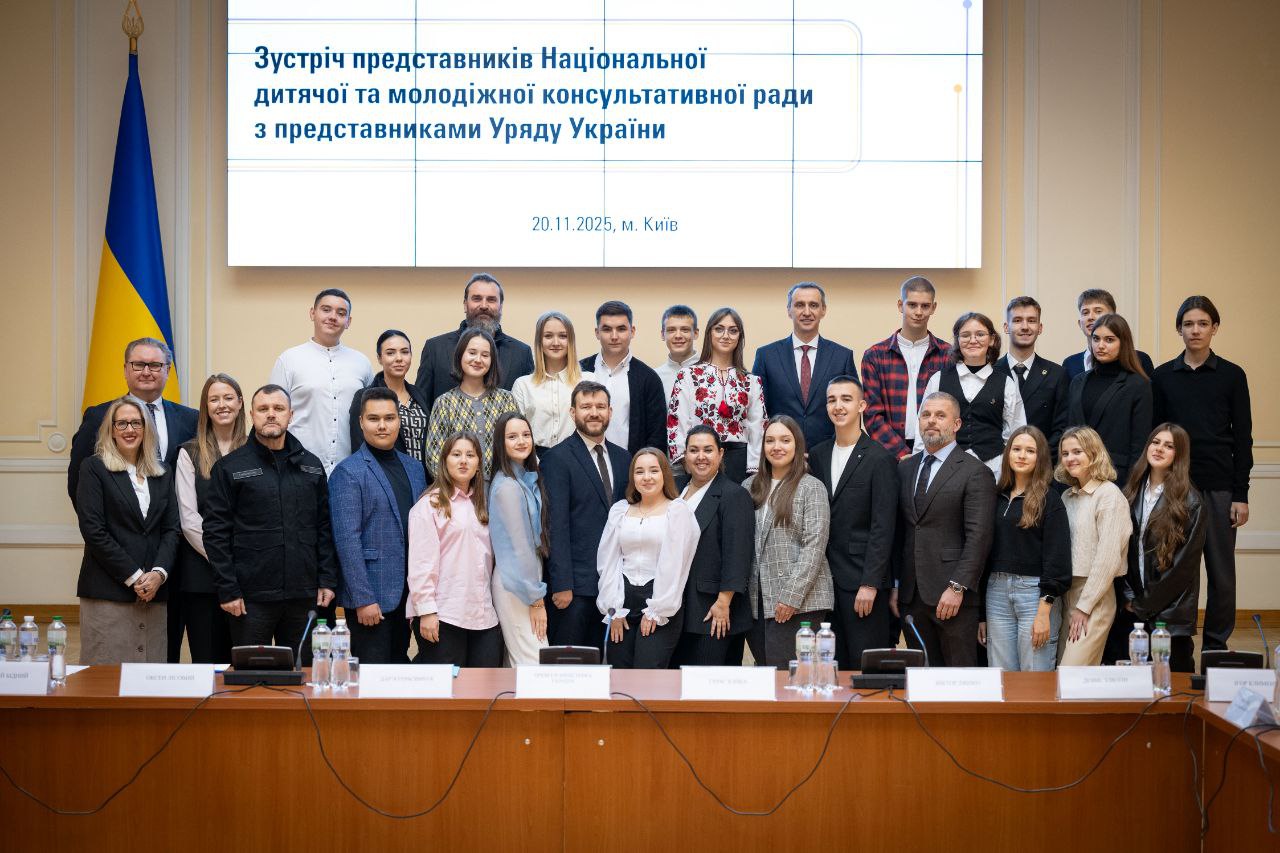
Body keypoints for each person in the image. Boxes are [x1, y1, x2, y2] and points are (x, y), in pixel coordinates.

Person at [67, 336, 197, 663]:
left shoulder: (191, 419)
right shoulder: (98, 416)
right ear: (125, 369)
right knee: (108, 670)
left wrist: (159, 568)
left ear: (168, 371)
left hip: (170, 567)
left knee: (160, 661)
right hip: (113, 571)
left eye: (155, 365)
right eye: (138, 364)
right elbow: (80, 492)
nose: (146, 371)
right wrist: (126, 561)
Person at [204, 385, 338, 656]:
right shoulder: (230, 468)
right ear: (252, 415)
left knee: (306, 673)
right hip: (251, 600)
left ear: (291, 414)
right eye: (263, 409)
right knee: (252, 674)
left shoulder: (311, 466)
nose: (271, 414)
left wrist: (327, 579)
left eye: (278, 408)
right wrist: (228, 590)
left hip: (304, 596)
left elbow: (324, 527)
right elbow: (216, 534)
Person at [1152, 295, 1252, 651]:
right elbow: (1156, 435)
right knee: (1178, 570)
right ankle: (1180, 646)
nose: (1195, 330)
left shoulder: (1232, 375)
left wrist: (1240, 494)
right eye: (1188, 324)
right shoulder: (1162, 376)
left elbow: (1243, 438)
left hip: (1221, 488)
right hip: (1176, 489)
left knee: (1222, 575)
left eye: (1203, 324)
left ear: (1214, 328)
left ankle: (1215, 646)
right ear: (1179, 329)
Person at [74, 397, 180, 664]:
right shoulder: (94, 468)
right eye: (121, 423)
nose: (129, 429)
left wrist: (158, 574)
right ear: (111, 430)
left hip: (154, 595)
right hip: (108, 594)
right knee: (105, 680)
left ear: (146, 429)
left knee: (150, 679)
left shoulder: (162, 472)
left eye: (136, 423)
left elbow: (172, 529)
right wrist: (135, 577)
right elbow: (94, 530)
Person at [895, 392, 996, 667]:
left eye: (941, 416)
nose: (931, 421)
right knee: (921, 679)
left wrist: (957, 587)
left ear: (957, 424)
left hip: (954, 597)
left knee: (958, 681)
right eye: (926, 415)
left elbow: (979, 538)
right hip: (912, 596)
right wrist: (896, 585)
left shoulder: (975, 472)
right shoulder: (905, 468)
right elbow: (902, 532)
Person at [330, 388, 429, 664]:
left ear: (399, 420)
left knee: (400, 672)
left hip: (408, 596)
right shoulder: (348, 472)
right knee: (371, 678)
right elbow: (347, 541)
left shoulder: (415, 468)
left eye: (389, 418)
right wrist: (363, 599)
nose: (382, 425)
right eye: (374, 419)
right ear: (361, 422)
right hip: (371, 597)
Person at [807, 376, 898, 667]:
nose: (838, 406)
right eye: (832, 400)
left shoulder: (880, 458)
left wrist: (870, 584)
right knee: (829, 667)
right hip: (823, 584)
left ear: (862, 406)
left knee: (864, 666)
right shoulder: (818, 455)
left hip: (862, 583)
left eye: (846, 399)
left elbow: (884, 527)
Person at [541, 381, 631, 649]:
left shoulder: (624, 458)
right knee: (569, 665)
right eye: (586, 406)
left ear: (610, 412)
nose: (594, 413)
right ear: (573, 412)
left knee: (607, 665)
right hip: (574, 589)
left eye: (600, 406)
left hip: (614, 587)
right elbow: (555, 525)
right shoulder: (556, 459)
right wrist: (562, 584)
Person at [978, 426, 1071, 672]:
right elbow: (984, 554)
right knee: (1001, 674)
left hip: (1034, 594)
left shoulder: (1050, 499)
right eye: (1016, 449)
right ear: (1007, 453)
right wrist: (981, 615)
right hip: (996, 592)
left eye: (1030, 451)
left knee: (1035, 674)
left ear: (1040, 457)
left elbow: (1058, 558)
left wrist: (1044, 611)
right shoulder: (995, 496)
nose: (1021, 455)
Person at [406, 432, 502, 667]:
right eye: (456, 454)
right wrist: (426, 611)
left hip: (483, 614)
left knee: (485, 686)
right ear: (444, 461)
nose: (463, 461)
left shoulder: (482, 505)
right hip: (444, 614)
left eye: (470, 455)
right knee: (447, 688)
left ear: (479, 463)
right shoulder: (429, 505)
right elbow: (421, 564)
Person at [744, 416, 834, 669]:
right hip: (758, 601)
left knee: (791, 679)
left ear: (798, 446)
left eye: (785, 440)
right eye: (770, 441)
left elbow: (814, 546)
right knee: (766, 676)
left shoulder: (811, 487)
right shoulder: (749, 486)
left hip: (801, 603)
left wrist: (791, 597)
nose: (777, 447)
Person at [597, 449, 700, 669]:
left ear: (664, 474)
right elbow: (608, 561)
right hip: (622, 600)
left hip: (660, 600)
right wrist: (613, 609)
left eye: (654, 470)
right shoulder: (620, 510)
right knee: (619, 674)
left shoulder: (678, 511)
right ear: (632, 477)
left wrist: (656, 610)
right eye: (639, 471)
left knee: (648, 671)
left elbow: (676, 565)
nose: (647, 477)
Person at [1122, 424, 1207, 672]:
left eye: (1169, 446)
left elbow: (1182, 568)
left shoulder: (1192, 502)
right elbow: (1122, 550)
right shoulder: (1131, 491)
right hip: (1133, 608)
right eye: (1156, 442)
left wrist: (1143, 605)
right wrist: (1129, 597)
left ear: (1179, 455)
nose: (1159, 449)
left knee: (1172, 684)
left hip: (1170, 614)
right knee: (1134, 684)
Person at [175, 374, 246, 664]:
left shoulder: (257, 450)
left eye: (228, 397)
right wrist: (222, 556)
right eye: (214, 399)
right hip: (201, 576)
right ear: (205, 406)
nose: (222, 405)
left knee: (243, 660)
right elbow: (188, 518)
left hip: (247, 573)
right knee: (207, 661)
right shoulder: (189, 452)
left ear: (240, 403)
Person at [671, 426, 756, 667]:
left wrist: (723, 601)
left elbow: (738, 554)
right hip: (675, 608)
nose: (701, 456)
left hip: (713, 610)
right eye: (694, 450)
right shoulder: (673, 489)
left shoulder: (734, 495)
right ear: (685, 455)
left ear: (720, 454)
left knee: (705, 683)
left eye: (708, 450)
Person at [268, 288, 373, 476]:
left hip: (350, 470)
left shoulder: (362, 363)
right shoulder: (289, 360)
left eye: (341, 313)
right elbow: (274, 413)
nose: (333, 317)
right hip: (297, 467)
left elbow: (371, 413)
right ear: (312, 313)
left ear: (348, 321)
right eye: (326, 310)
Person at [1055, 426, 1133, 666]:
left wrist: (1085, 607)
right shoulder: (1067, 496)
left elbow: (1108, 559)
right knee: (1062, 673)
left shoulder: (1109, 495)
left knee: (1070, 672)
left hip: (1094, 596)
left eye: (1077, 451)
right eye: (1065, 453)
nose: (1070, 458)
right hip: (1067, 593)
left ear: (1094, 453)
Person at [666, 307, 767, 483]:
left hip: (739, 463)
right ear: (709, 333)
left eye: (733, 330)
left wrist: (753, 474)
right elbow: (677, 422)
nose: (726, 336)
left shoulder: (751, 381)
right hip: (699, 460)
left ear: (740, 337)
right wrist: (688, 465)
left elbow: (758, 428)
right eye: (719, 329)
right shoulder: (688, 375)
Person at [752, 282, 858, 450]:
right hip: (780, 452)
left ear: (823, 310)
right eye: (800, 305)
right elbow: (757, 413)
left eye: (813, 305)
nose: (807, 312)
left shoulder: (842, 357)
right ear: (789, 310)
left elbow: (852, 410)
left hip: (829, 452)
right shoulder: (766, 356)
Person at [923, 312, 1026, 478]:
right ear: (957, 340)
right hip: (944, 467)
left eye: (980, 334)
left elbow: (1016, 431)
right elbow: (924, 425)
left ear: (992, 339)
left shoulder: (1006, 383)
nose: (973, 340)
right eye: (965, 335)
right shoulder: (938, 379)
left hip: (993, 468)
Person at [862, 276, 952, 460]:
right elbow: (872, 415)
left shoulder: (948, 355)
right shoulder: (875, 356)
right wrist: (902, 454)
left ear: (933, 308)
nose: (918, 312)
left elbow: (952, 409)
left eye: (925, 306)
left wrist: (930, 451)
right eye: (912, 305)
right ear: (900, 305)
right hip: (888, 453)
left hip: (937, 450)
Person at [415, 272, 535, 407]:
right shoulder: (435, 348)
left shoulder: (521, 353)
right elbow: (421, 406)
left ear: (501, 306)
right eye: (477, 299)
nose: (484, 306)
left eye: (491, 300)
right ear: (465, 304)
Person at [488, 413, 551, 665]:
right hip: (515, 583)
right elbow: (521, 547)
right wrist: (536, 601)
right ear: (500, 443)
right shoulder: (507, 487)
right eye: (512, 436)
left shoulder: (523, 479)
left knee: (519, 663)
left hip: (527, 578)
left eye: (526, 435)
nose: (522, 441)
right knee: (535, 662)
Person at [1066, 313, 1152, 488]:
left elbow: (1139, 445)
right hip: (1077, 476)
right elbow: (1068, 430)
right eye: (1096, 339)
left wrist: (1131, 487)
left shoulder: (1138, 384)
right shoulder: (1078, 381)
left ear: (1123, 343)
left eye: (1109, 340)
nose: (1100, 345)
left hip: (1116, 477)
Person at [422, 328, 519, 479]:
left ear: (492, 360)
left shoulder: (507, 400)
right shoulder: (444, 403)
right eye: (472, 353)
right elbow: (434, 457)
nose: (478, 360)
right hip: (458, 488)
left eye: (485, 355)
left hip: (502, 487)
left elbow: (517, 447)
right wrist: (458, 487)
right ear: (460, 355)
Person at [579, 300, 667, 457]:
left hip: (630, 466)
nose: (614, 336)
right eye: (607, 329)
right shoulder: (579, 371)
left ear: (632, 331)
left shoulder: (649, 379)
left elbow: (657, 436)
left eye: (621, 329)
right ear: (597, 332)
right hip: (582, 464)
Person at [346, 330, 431, 476]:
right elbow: (358, 446)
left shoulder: (419, 394)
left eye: (405, 352)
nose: (399, 358)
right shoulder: (364, 397)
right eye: (390, 353)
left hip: (421, 478)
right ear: (380, 358)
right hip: (384, 477)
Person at [996, 297, 1069, 458]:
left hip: (1042, 464)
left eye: (1031, 320)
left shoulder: (1057, 374)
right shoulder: (991, 372)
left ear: (1040, 328)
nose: (1025, 327)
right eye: (1017, 320)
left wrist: (1037, 457)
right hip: (997, 463)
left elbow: (1061, 428)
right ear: (1006, 327)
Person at [512, 311, 589, 455]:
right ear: (539, 341)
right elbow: (516, 433)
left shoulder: (588, 381)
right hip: (535, 459)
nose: (556, 342)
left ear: (571, 341)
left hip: (578, 457)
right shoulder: (523, 385)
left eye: (563, 336)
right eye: (548, 336)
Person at [1063, 288, 1156, 379]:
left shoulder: (1140, 360)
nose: (1090, 317)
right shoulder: (1070, 363)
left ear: (1113, 318)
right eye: (1085, 312)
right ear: (1079, 323)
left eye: (1098, 311)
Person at [655, 305, 700, 402]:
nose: (678, 336)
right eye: (671, 330)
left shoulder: (713, 373)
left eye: (685, 330)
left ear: (695, 334)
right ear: (663, 335)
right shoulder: (654, 377)